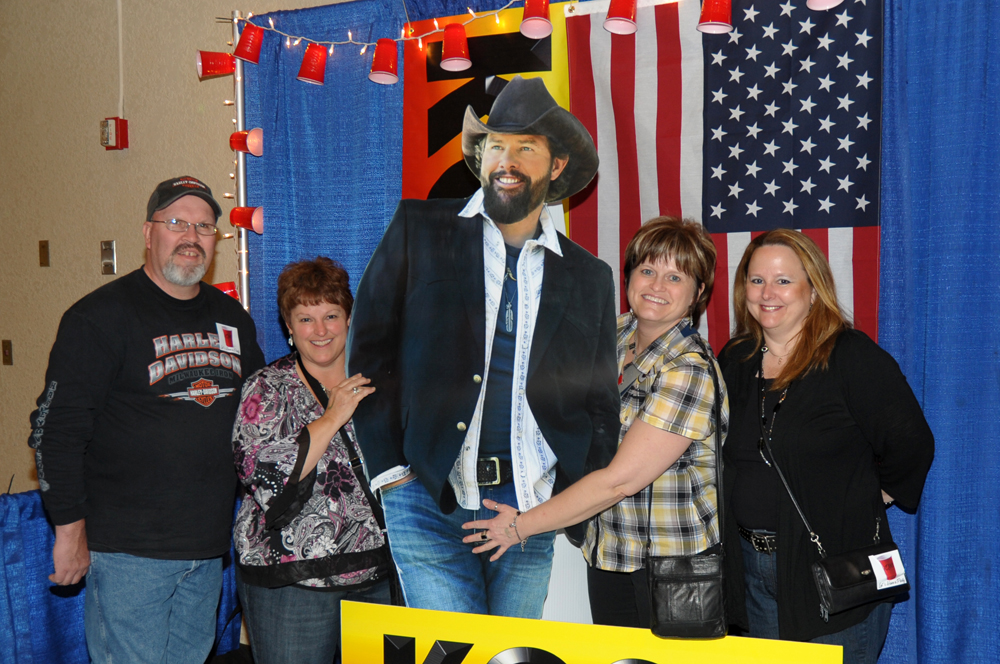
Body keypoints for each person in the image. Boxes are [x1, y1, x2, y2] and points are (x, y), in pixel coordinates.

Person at [347, 75, 620, 618]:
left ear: (557, 165)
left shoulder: (589, 276)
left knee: (511, 654)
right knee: (456, 652)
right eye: (496, 145)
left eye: (526, 147)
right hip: (425, 498)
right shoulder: (419, 229)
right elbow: (370, 353)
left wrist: (566, 494)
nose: (506, 161)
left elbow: (598, 403)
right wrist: (392, 475)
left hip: (528, 509)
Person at [28, 176, 265, 663]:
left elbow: (259, 414)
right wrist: (69, 532)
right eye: (176, 222)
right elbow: (56, 431)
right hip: (128, 554)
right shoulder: (99, 317)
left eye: (204, 227)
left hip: (206, 548)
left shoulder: (233, 319)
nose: (191, 237)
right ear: (147, 232)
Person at [463, 217, 728, 627]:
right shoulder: (612, 334)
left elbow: (620, 481)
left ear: (698, 293)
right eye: (647, 270)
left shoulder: (687, 369)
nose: (657, 286)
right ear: (629, 277)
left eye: (675, 277)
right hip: (608, 554)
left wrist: (520, 526)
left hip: (671, 570)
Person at [717, 229, 934, 663]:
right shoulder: (735, 359)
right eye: (757, 280)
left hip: (832, 573)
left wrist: (871, 499)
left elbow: (912, 442)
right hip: (751, 570)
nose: (767, 293)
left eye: (783, 281)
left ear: (814, 290)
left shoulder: (850, 356)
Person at [232, 257, 392, 664]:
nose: (320, 331)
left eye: (331, 316)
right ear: (289, 327)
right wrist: (333, 417)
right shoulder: (266, 389)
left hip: (378, 575)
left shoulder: (380, 382)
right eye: (306, 319)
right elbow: (264, 477)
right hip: (293, 584)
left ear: (350, 319)